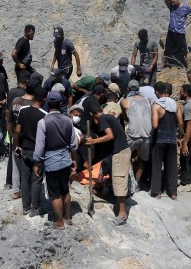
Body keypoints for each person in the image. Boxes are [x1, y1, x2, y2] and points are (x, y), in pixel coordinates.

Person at [34, 91, 78, 230]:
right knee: (65, 190)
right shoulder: (68, 120)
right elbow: (73, 144)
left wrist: (36, 163)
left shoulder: (43, 122)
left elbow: (39, 147)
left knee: (54, 194)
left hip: (51, 162)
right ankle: (68, 217)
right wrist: (74, 160)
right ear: (60, 104)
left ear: (47, 102)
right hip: (65, 160)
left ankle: (59, 223)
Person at [86, 104, 131, 224]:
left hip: (121, 153)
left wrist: (93, 141)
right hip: (121, 152)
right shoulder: (108, 117)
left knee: (119, 181)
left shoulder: (103, 118)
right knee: (116, 180)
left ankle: (122, 214)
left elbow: (110, 136)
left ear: (92, 114)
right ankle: (118, 207)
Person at [16, 87, 47, 217]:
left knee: (25, 178)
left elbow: (18, 131)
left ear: (33, 97)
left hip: (25, 149)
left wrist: (18, 145)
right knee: (36, 179)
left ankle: (25, 207)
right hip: (37, 152)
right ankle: (34, 208)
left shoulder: (23, 111)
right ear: (44, 99)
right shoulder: (44, 115)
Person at [151, 82, 182, 199]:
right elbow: (181, 123)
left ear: (158, 93)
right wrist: (179, 136)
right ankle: (173, 192)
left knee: (157, 166)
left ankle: (156, 192)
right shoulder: (176, 105)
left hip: (159, 140)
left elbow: (154, 125)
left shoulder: (156, 106)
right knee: (172, 166)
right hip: (172, 140)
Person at [120, 82, 153, 187]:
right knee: (142, 159)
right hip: (146, 134)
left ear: (128, 89)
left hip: (132, 134)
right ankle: (137, 183)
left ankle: (130, 182)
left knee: (126, 157)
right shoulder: (148, 100)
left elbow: (125, 118)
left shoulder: (125, 101)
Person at [163, 0, 191, 68]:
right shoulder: (172, 7)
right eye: (171, 2)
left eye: (173, 1)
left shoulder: (185, 7)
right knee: (167, 50)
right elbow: (165, 1)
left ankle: (189, 68)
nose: (172, 3)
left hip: (180, 33)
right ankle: (164, 65)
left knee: (185, 51)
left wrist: (188, 22)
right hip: (171, 32)